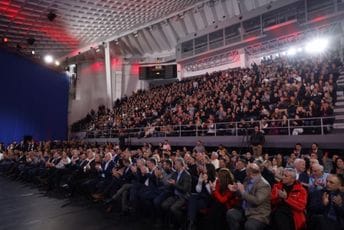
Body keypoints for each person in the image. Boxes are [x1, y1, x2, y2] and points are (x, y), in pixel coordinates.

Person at [226, 163, 271, 230]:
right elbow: (242, 194)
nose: (245, 172)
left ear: (250, 173)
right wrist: (236, 190)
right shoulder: (247, 179)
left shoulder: (264, 184)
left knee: (250, 226)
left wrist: (243, 192)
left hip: (258, 213)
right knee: (231, 214)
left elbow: (257, 201)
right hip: (245, 210)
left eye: (246, 171)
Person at [161, 158, 192, 228]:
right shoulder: (175, 173)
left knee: (173, 208)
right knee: (164, 205)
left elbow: (184, 189)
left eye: (176, 164)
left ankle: (181, 223)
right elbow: (170, 184)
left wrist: (174, 184)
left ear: (180, 165)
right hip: (175, 195)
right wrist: (166, 182)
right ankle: (169, 222)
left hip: (183, 196)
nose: (174, 165)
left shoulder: (187, 175)